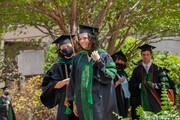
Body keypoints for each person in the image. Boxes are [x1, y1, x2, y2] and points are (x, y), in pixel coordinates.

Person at [68, 25, 118, 120]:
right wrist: (74, 102)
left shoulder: (103, 55)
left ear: (92, 38)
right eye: (80, 39)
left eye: (85, 38)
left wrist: (99, 61)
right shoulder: (78, 58)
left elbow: (110, 76)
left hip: (99, 100)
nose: (82, 41)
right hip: (82, 101)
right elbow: (73, 81)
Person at [40, 35, 79, 120]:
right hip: (66, 102)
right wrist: (65, 81)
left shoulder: (80, 61)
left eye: (68, 46)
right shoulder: (57, 66)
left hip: (81, 99)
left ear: (73, 46)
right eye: (63, 47)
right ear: (60, 51)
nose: (66, 48)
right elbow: (49, 85)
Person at [129, 44, 162, 119]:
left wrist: (154, 85)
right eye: (143, 55)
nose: (145, 57)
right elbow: (131, 85)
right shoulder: (136, 70)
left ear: (151, 55)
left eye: (147, 54)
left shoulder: (157, 69)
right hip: (140, 101)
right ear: (141, 55)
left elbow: (164, 84)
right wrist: (142, 85)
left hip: (154, 100)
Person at [112, 50, 130, 118]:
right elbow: (108, 87)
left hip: (124, 99)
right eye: (118, 60)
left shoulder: (124, 73)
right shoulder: (112, 72)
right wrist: (118, 82)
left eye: (122, 61)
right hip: (115, 99)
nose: (120, 62)